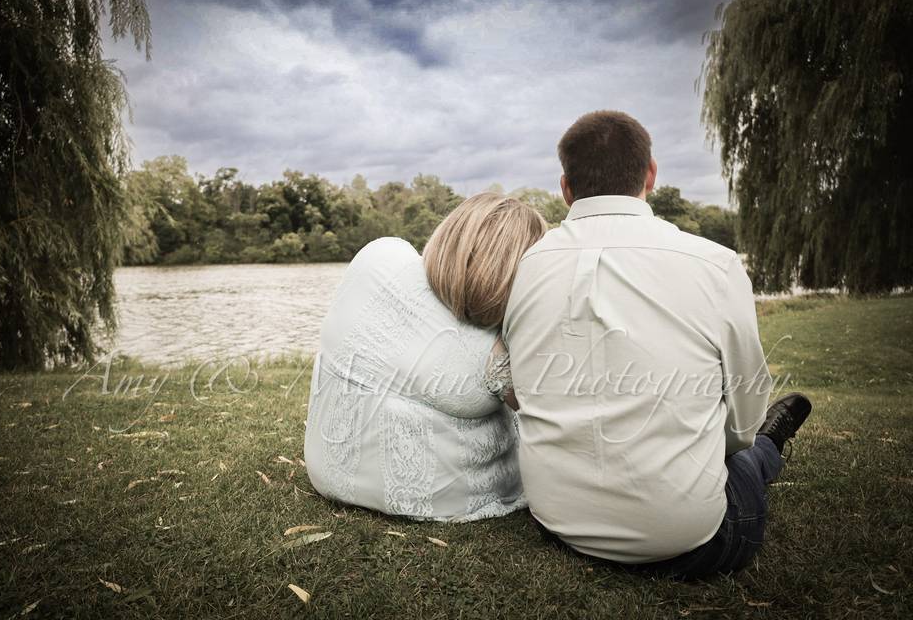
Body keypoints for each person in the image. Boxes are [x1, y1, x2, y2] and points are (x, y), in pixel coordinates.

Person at [502, 110, 812, 578]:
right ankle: (775, 442)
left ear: (565, 188)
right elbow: (742, 419)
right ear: (650, 173)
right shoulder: (714, 263)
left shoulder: (526, 266)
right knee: (750, 454)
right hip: (694, 543)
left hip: (557, 523)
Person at [305, 193, 545, 521]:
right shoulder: (494, 352)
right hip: (434, 500)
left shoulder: (379, 256)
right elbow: (544, 417)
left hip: (327, 470)